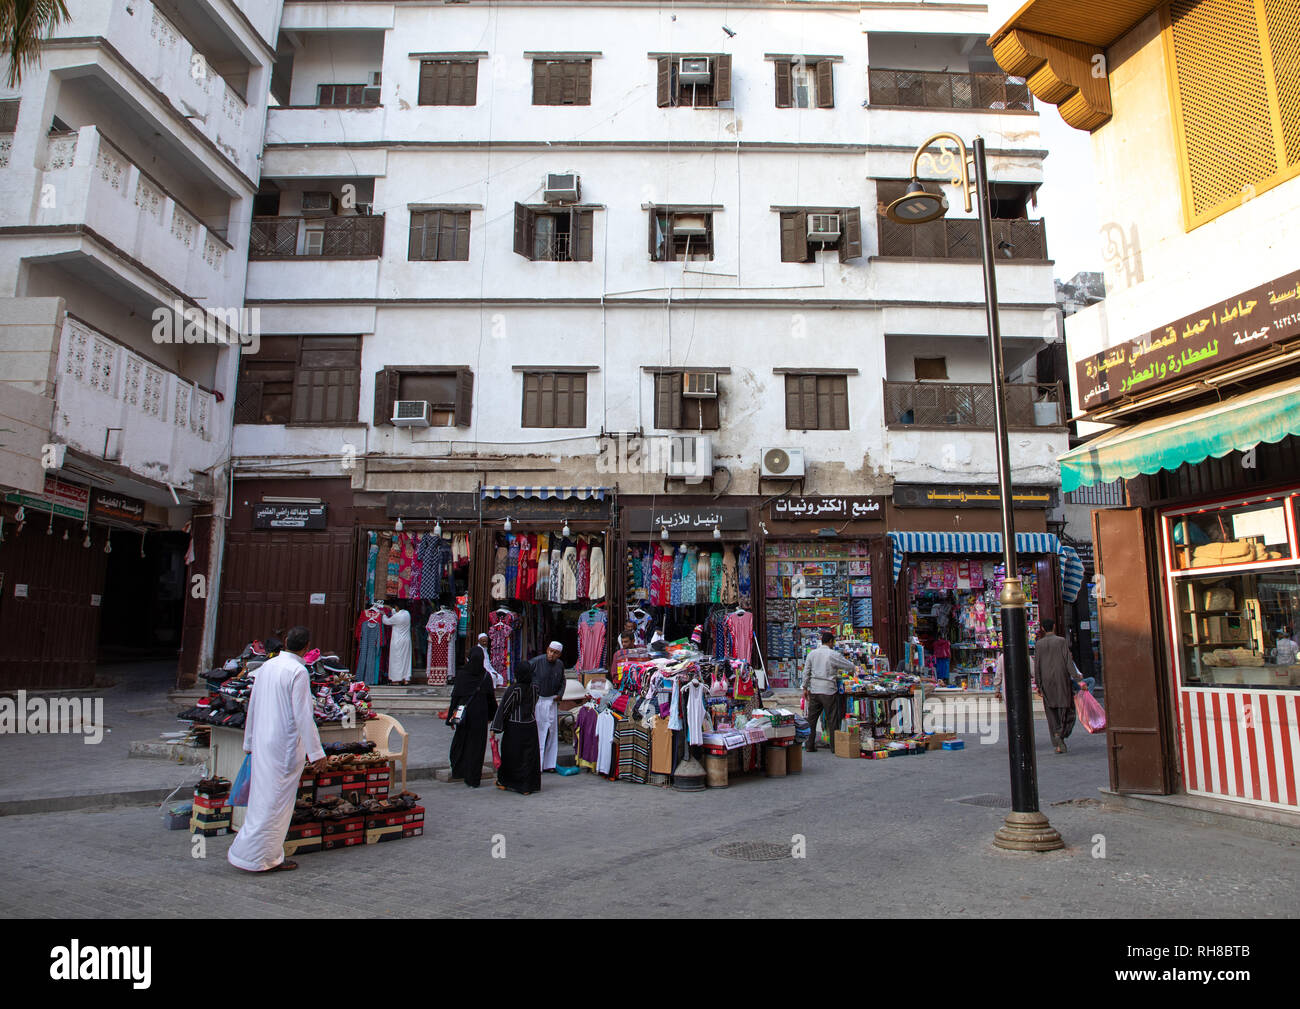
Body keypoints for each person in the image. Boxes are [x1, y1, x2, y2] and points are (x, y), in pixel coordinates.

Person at [228, 625, 327, 874]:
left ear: (285, 641)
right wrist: (316, 753)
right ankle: (264, 858)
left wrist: (249, 741)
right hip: (283, 745)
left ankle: (247, 852)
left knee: (263, 799)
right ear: (306, 648)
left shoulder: (267, 667)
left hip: (263, 742)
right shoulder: (298, 671)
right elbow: (304, 716)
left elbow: (254, 705)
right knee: (276, 804)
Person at [445, 647, 497, 787]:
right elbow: (491, 699)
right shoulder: (486, 676)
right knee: (476, 747)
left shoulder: (462, 675)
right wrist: (492, 716)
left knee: (460, 742)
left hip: (463, 714)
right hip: (480, 716)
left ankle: (459, 771)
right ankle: (473, 778)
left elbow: (455, 698)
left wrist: (451, 719)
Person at [1033, 618, 1087, 753]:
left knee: (1051, 713)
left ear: (1043, 629)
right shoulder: (1061, 641)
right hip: (1061, 680)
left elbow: (1037, 666)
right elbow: (1068, 661)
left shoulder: (1039, 644)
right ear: (1054, 627)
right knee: (1066, 710)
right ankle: (1061, 734)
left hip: (1046, 682)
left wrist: (1038, 685)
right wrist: (1078, 679)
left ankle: (1057, 739)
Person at [491, 660, 542, 794]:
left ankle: (509, 782)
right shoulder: (535, 688)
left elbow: (504, 708)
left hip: (515, 727)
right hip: (530, 726)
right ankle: (527, 786)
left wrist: (495, 728)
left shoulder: (515, 689)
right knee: (528, 757)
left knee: (512, 756)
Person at [801, 630, 856, 753]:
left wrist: (804, 688)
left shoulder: (812, 654)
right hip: (828, 691)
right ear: (830, 641)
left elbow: (806, 672)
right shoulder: (833, 654)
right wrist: (851, 671)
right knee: (832, 719)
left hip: (814, 690)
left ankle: (809, 745)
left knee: (812, 719)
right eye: (833, 642)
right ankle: (834, 747)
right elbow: (849, 666)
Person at [531, 641, 567, 773]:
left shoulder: (560, 665)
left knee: (552, 733)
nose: (552, 654)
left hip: (552, 701)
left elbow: (563, 681)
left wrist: (560, 694)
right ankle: (537, 765)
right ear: (547, 649)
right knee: (540, 733)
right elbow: (524, 675)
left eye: (555, 652)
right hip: (539, 701)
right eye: (550, 651)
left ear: (559, 654)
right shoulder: (536, 662)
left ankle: (549, 764)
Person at [382, 602, 412, 684]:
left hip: (397, 641)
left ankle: (396, 679)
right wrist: (392, 609)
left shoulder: (397, 617)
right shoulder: (407, 614)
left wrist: (383, 614)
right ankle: (406, 678)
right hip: (406, 641)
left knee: (396, 660)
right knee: (406, 659)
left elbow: (386, 621)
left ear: (397, 607)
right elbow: (396, 615)